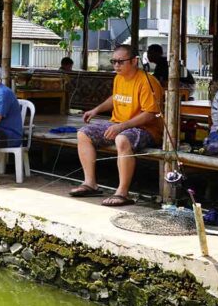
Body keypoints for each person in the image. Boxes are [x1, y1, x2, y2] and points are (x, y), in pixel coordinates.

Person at [69, 45, 164, 207]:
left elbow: (150, 113)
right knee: (83, 133)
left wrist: (122, 127)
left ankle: (122, 192)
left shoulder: (147, 81)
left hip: (145, 129)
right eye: (114, 61)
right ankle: (90, 183)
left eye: (121, 62)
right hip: (118, 124)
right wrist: (96, 109)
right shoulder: (119, 78)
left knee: (122, 139)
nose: (116, 65)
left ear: (134, 61)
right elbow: (115, 97)